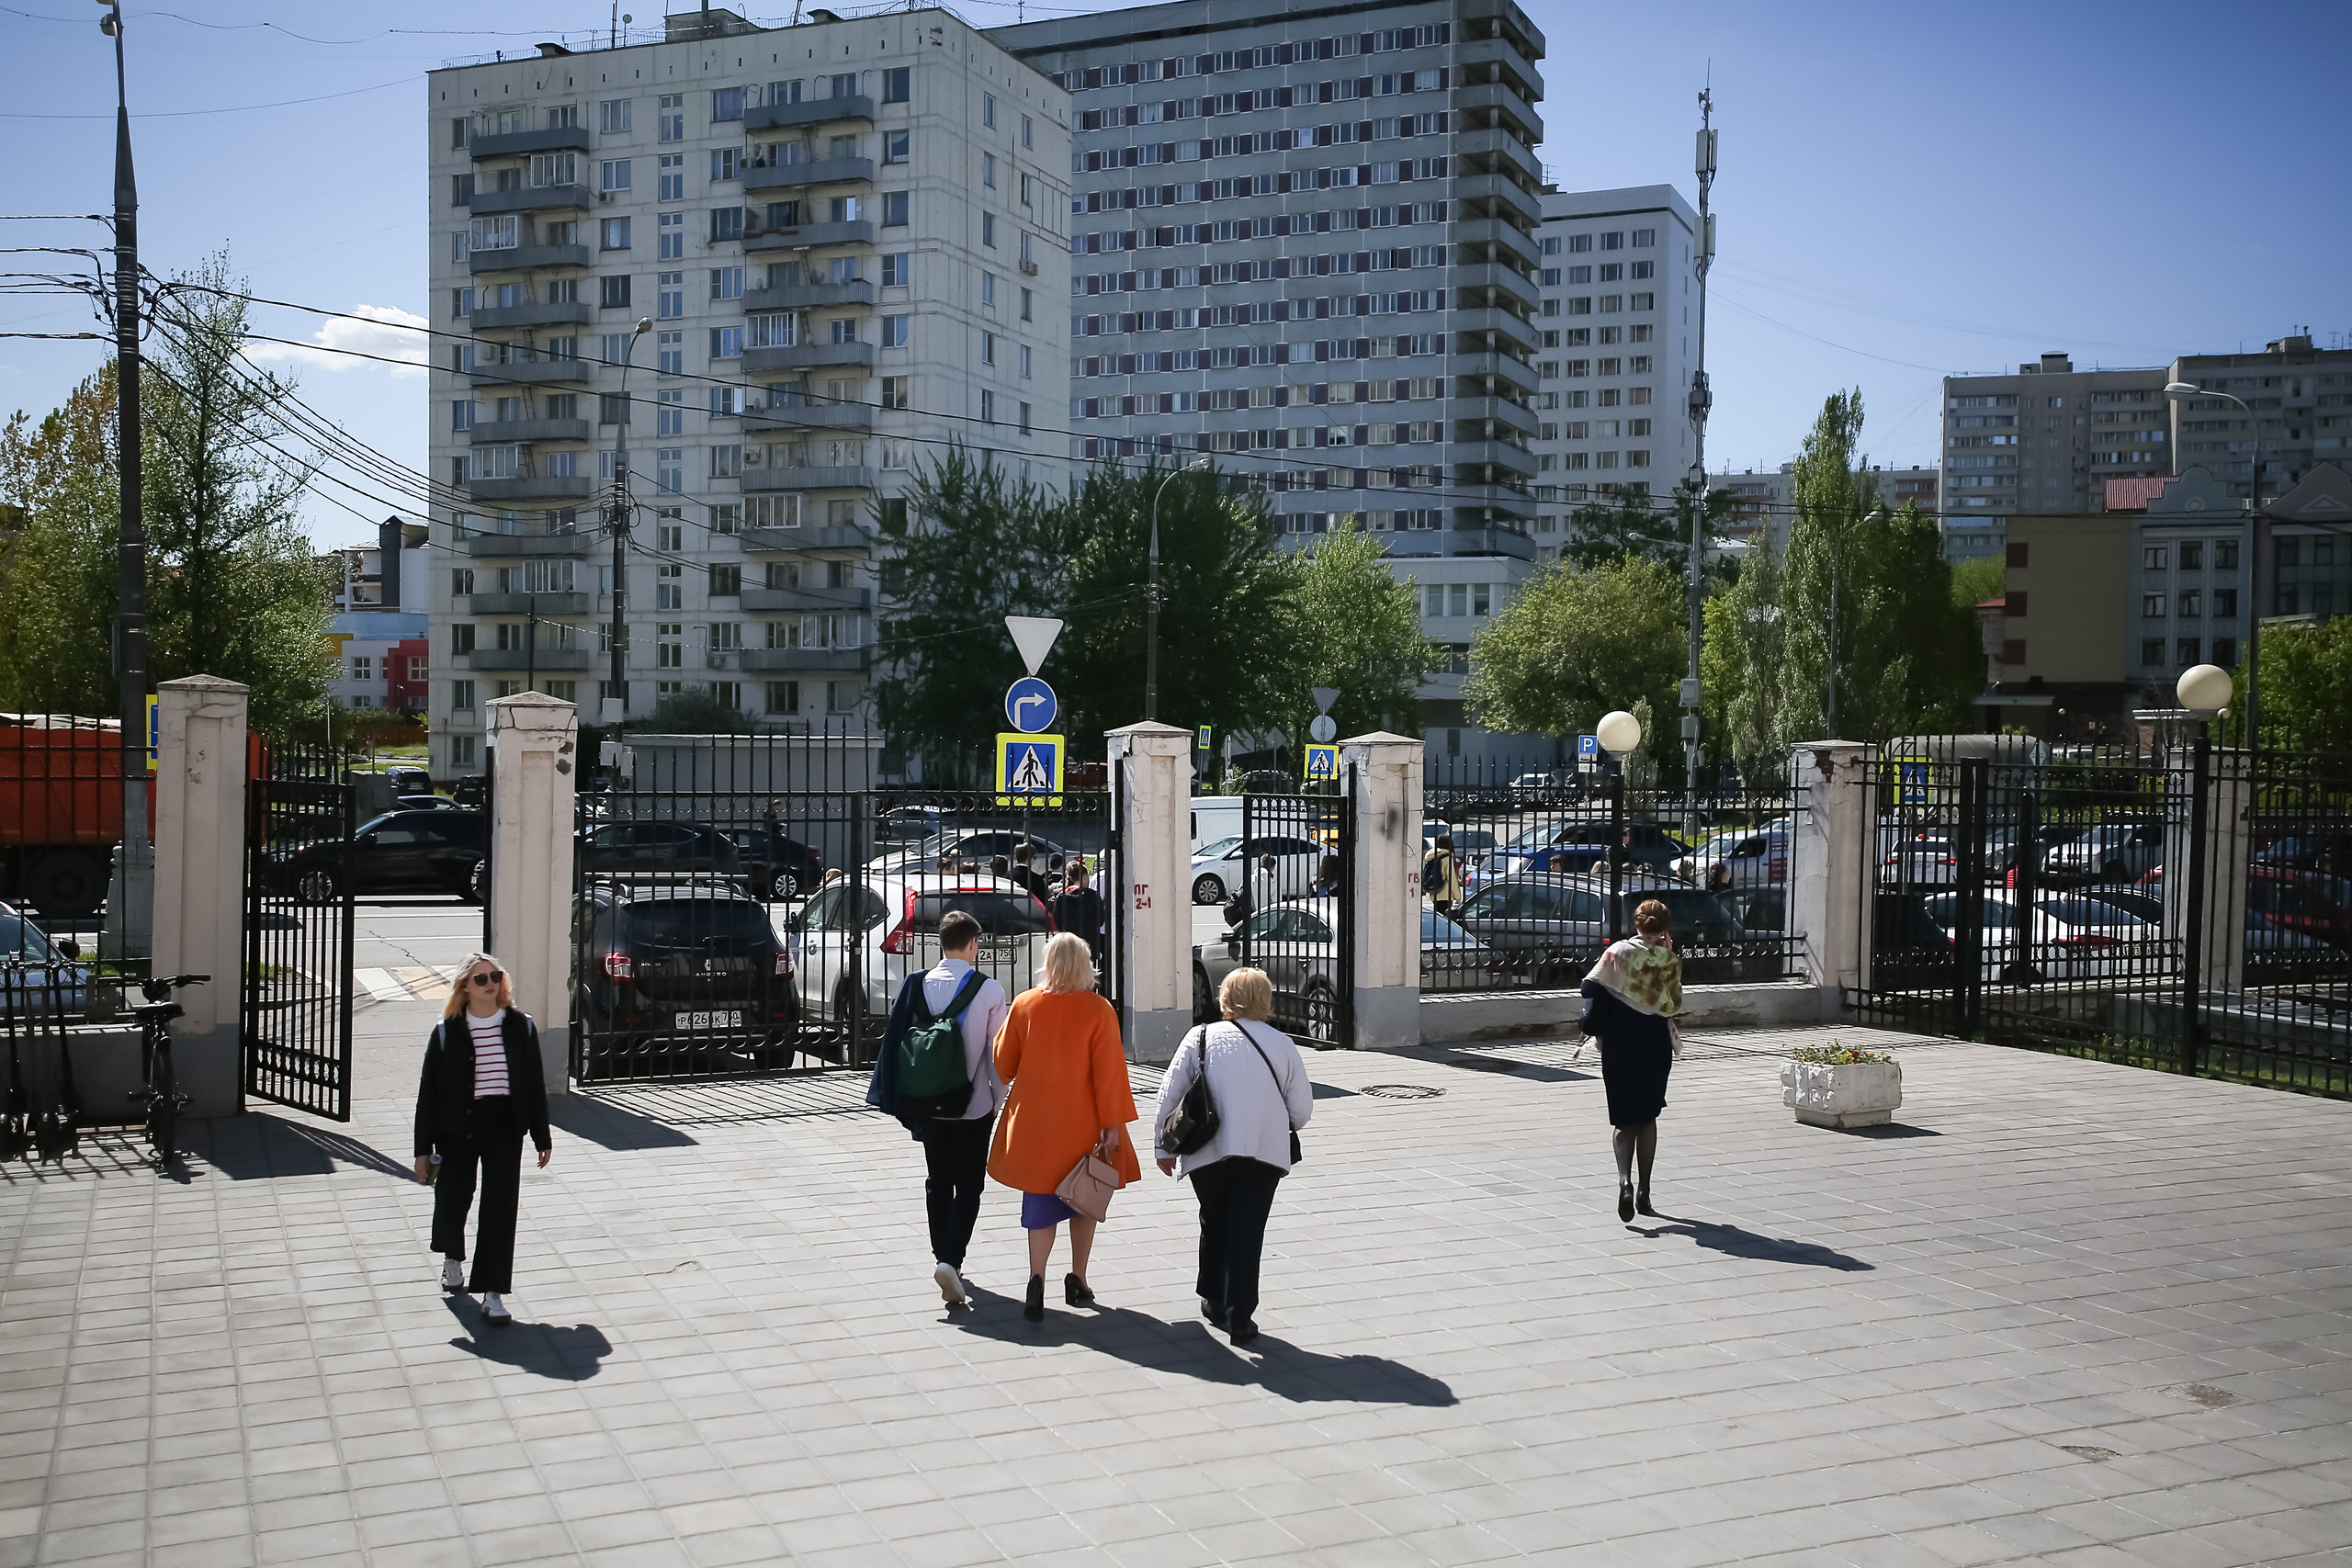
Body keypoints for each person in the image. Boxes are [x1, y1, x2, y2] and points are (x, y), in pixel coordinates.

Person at [1152, 967, 1314, 1347]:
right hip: (1263, 1153)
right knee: (1248, 1231)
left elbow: (1169, 1093)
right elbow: (1302, 1111)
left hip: (1208, 1151)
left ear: (1224, 997)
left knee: (1214, 1220)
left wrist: (1162, 1148)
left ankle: (1214, 1298)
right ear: (1266, 1000)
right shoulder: (1282, 1044)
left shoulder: (1200, 1036)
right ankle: (1242, 1316)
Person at [989, 932, 1141, 1322]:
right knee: (1083, 1197)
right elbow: (1109, 1074)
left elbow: (1004, 1065)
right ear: (1085, 965)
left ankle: (1035, 1279)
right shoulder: (1099, 1010)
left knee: (1039, 1202)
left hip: (1035, 1123)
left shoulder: (1024, 1004)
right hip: (1084, 1122)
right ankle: (1078, 1277)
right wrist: (1111, 1125)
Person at [865, 909, 1009, 1307]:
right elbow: (996, 1057)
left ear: (941, 944)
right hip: (973, 1104)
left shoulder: (917, 984)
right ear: (972, 943)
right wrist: (999, 1099)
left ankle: (942, 1256)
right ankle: (951, 1258)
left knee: (938, 1180)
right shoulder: (990, 990)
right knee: (970, 1186)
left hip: (927, 1101)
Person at [413, 953, 553, 1326]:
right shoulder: (446, 1032)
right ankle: (452, 1258)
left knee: (500, 1207)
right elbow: (429, 1093)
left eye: (495, 976)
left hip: (505, 1126)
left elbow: (533, 1086)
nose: (490, 983)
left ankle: (493, 1293)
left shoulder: (521, 1026)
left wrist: (542, 1135)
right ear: (464, 987)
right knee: (453, 1197)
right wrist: (422, 1150)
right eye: (480, 979)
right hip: (457, 1127)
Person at [1577, 899, 1682, 1224]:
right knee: (1648, 1117)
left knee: (1625, 1120)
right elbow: (1674, 1004)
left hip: (1620, 1041)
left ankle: (1624, 1181)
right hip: (1654, 1042)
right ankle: (1645, 1191)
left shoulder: (1618, 952)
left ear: (1637, 924)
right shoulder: (1669, 960)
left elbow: (1587, 988)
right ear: (1664, 926)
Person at [1051, 863, 1106, 966]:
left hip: (1068, 943)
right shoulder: (1093, 896)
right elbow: (1100, 920)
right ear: (1084, 876)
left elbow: (1056, 921)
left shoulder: (1061, 897)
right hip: (1089, 943)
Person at [1424, 832, 1464, 916]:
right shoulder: (1447, 858)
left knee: (1437, 917)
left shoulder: (1432, 856)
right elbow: (1451, 878)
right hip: (1445, 894)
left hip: (1434, 891)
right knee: (1445, 918)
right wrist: (1458, 896)